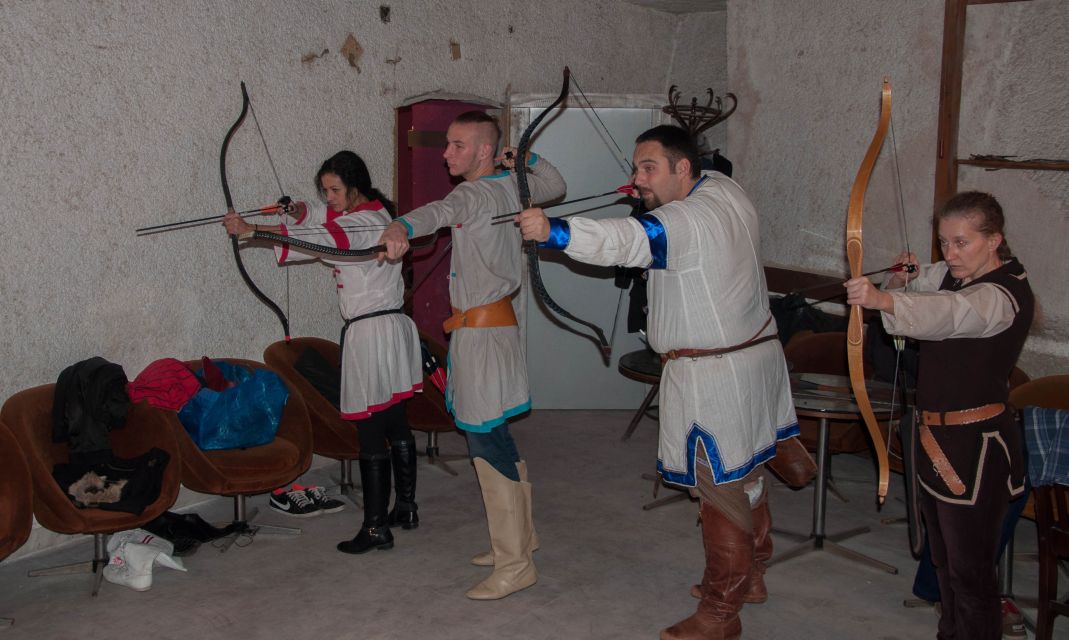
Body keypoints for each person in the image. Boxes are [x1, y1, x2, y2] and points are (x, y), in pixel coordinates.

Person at [517, 124, 798, 640]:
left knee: (718, 489)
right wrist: (647, 185)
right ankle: (752, 576)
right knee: (747, 473)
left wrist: (553, 231)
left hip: (714, 376)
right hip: (754, 362)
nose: (638, 178)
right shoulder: (726, 190)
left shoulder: (686, 220)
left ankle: (721, 611)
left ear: (683, 168)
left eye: (649, 168)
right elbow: (698, 181)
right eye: (635, 167)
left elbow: (625, 240)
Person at [377, 111, 566, 600]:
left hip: (482, 337)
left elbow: (434, 213)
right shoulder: (510, 187)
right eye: (447, 144)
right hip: (494, 329)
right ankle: (522, 538)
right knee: (495, 434)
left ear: (484, 151)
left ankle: (515, 564)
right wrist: (524, 160)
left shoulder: (474, 194)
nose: (446, 153)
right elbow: (555, 183)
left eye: (458, 145)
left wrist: (399, 225)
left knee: (483, 440)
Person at [845, 191, 1033, 640]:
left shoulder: (1003, 293)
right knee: (945, 565)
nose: (950, 253)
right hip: (937, 442)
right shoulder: (958, 273)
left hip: (977, 449)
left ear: (994, 240)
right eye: (944, 242)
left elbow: (950, 313)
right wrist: (899, 277)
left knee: (971, 574)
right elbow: (926, 281)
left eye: (961, 242)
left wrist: (884, 301)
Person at [223, 150, 423, 554]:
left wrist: (251, 229)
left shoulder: (363, 223)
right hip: (391, 328)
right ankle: (405, 507)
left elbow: (320, 238)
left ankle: (375, 527)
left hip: (371, 334)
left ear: (355, 187)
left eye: (334, 190)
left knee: (371, 428)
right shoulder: (377, 211)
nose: (328, 198)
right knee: (395, 421)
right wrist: (299, 210)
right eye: (325, 190)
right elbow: (322, 218)